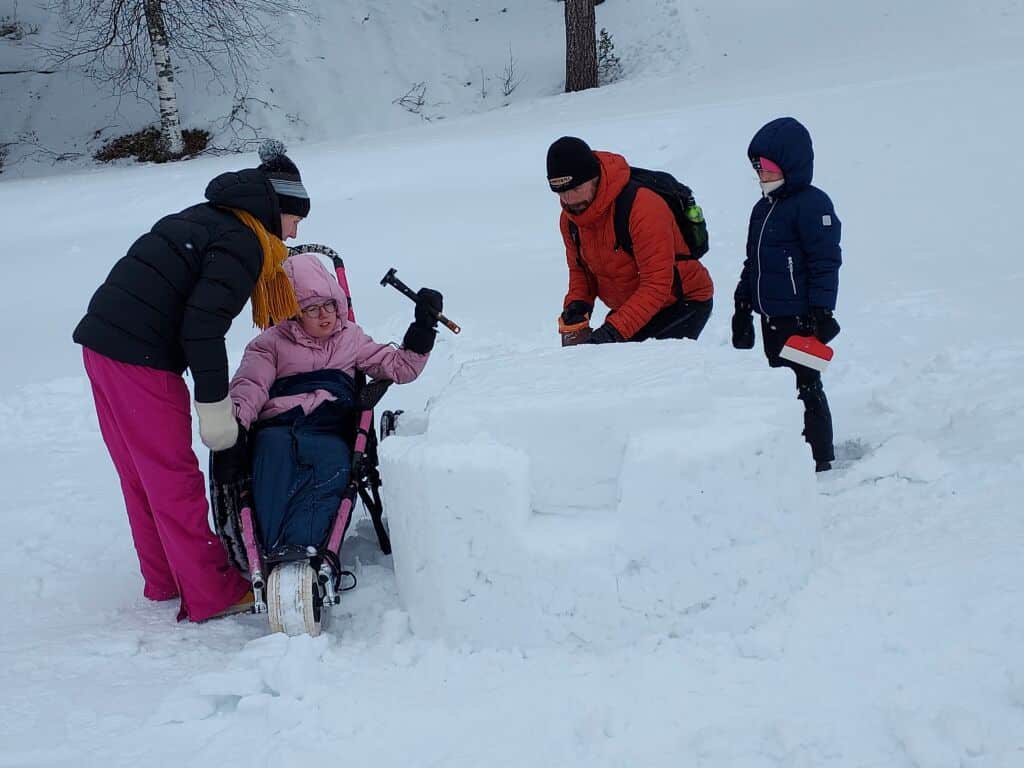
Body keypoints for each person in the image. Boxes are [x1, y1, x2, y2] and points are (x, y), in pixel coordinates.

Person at [73, 140, 310, 621]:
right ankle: (210, 591)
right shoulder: (243, 242)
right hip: (140, 357)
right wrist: (214, 407)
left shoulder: (208, 218)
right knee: (173, 476)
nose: (295, 232)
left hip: (102, 344)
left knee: (141, 474)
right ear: (277, 209)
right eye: (296, 220)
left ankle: (164, 579)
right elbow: (202, 329)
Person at [228, 253, 440, 550]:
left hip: (329, 428)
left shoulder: (350, 338)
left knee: (329, 467)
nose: (325, 315)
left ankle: (306, 545)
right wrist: (234, 426)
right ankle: (270, 547)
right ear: (292, 312)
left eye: (329, 304)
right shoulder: (269, 344)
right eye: (311, 308)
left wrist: (422, 330)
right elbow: (250, 385)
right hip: (277, 427)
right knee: (271, 463)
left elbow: (399, 367)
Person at [730, 117, 842, 472]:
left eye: (766, 168)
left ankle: (819, 456)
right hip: (771, 316)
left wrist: (822, 311)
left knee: (806, 384)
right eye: (757, 169)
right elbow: (755, 262)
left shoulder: (812, 205)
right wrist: (742, 305)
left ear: (790, 165)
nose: (760, 175)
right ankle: (790, 454)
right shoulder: (763, 209)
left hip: (800, 317)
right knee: (780, 384)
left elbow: (825, 261)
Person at [548, 136, 714, 345]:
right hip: (635, 308)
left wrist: (612, 332)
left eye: (575, 189)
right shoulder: (570, 221)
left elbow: (657, 284)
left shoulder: (641, 206)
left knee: (644, 373)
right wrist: (577, 305)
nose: (569, 199)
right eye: (561, 192)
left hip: (682, 302)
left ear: (594, 177)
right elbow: (581, 271)